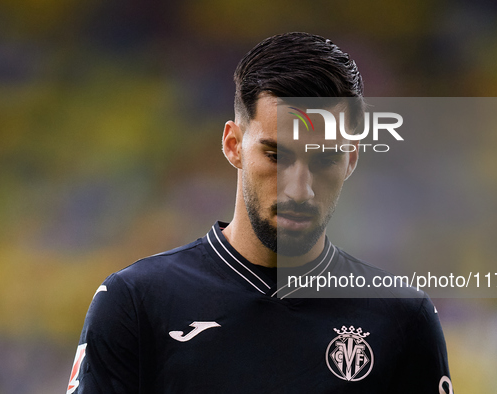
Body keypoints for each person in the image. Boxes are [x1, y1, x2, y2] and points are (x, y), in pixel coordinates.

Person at [67, 32, 453, 393]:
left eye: (324, 159)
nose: (299, 189)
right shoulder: (136, 302)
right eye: (276, 155)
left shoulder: (403, 318)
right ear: (234, 145)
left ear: (350, 159)